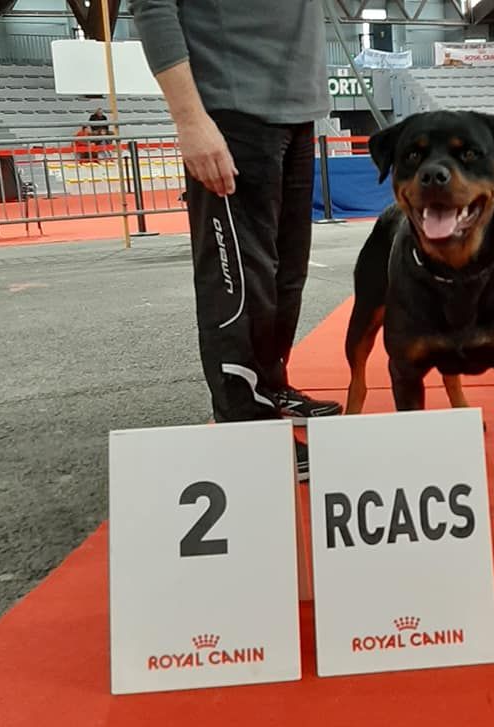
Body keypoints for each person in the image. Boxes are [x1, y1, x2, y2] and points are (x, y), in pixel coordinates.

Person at [129, 0, 342, 480]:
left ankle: (269, 387)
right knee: (239, 281)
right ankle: (245, 428)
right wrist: (190, 120)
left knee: (286, 276)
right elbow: (153, 6)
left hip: (297, 110)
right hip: (231, 110)